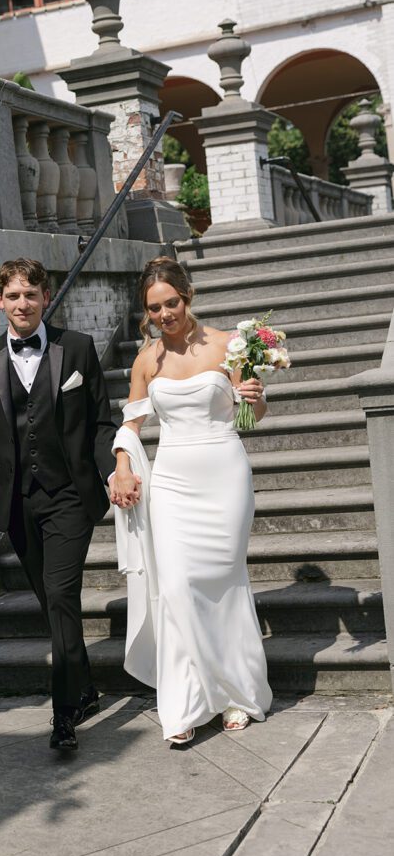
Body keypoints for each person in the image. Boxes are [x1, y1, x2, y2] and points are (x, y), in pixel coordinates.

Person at [0, 258, 125, 750]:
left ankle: (63, 717)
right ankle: (88, 689)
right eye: (12, 296)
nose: (22, 304)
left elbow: (99, 423)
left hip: (70, 495)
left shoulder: (75, 348)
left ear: (45, 298)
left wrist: (114, 468)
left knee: (59, 597)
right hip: (15, 504)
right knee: (54, 606)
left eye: (30, 294)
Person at [111, 257, 272, 745]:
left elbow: (254, 413)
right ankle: (184, 704)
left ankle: (235, 695)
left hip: (224, 474)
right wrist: (122, 465)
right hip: (174, 482)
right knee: (178, 586)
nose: (164, 314)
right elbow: (131, 422)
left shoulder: (229, 345)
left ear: (188, 296)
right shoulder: (146, 360)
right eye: (154, 308)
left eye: (171, 303)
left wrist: (255, 395)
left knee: (222, 583)